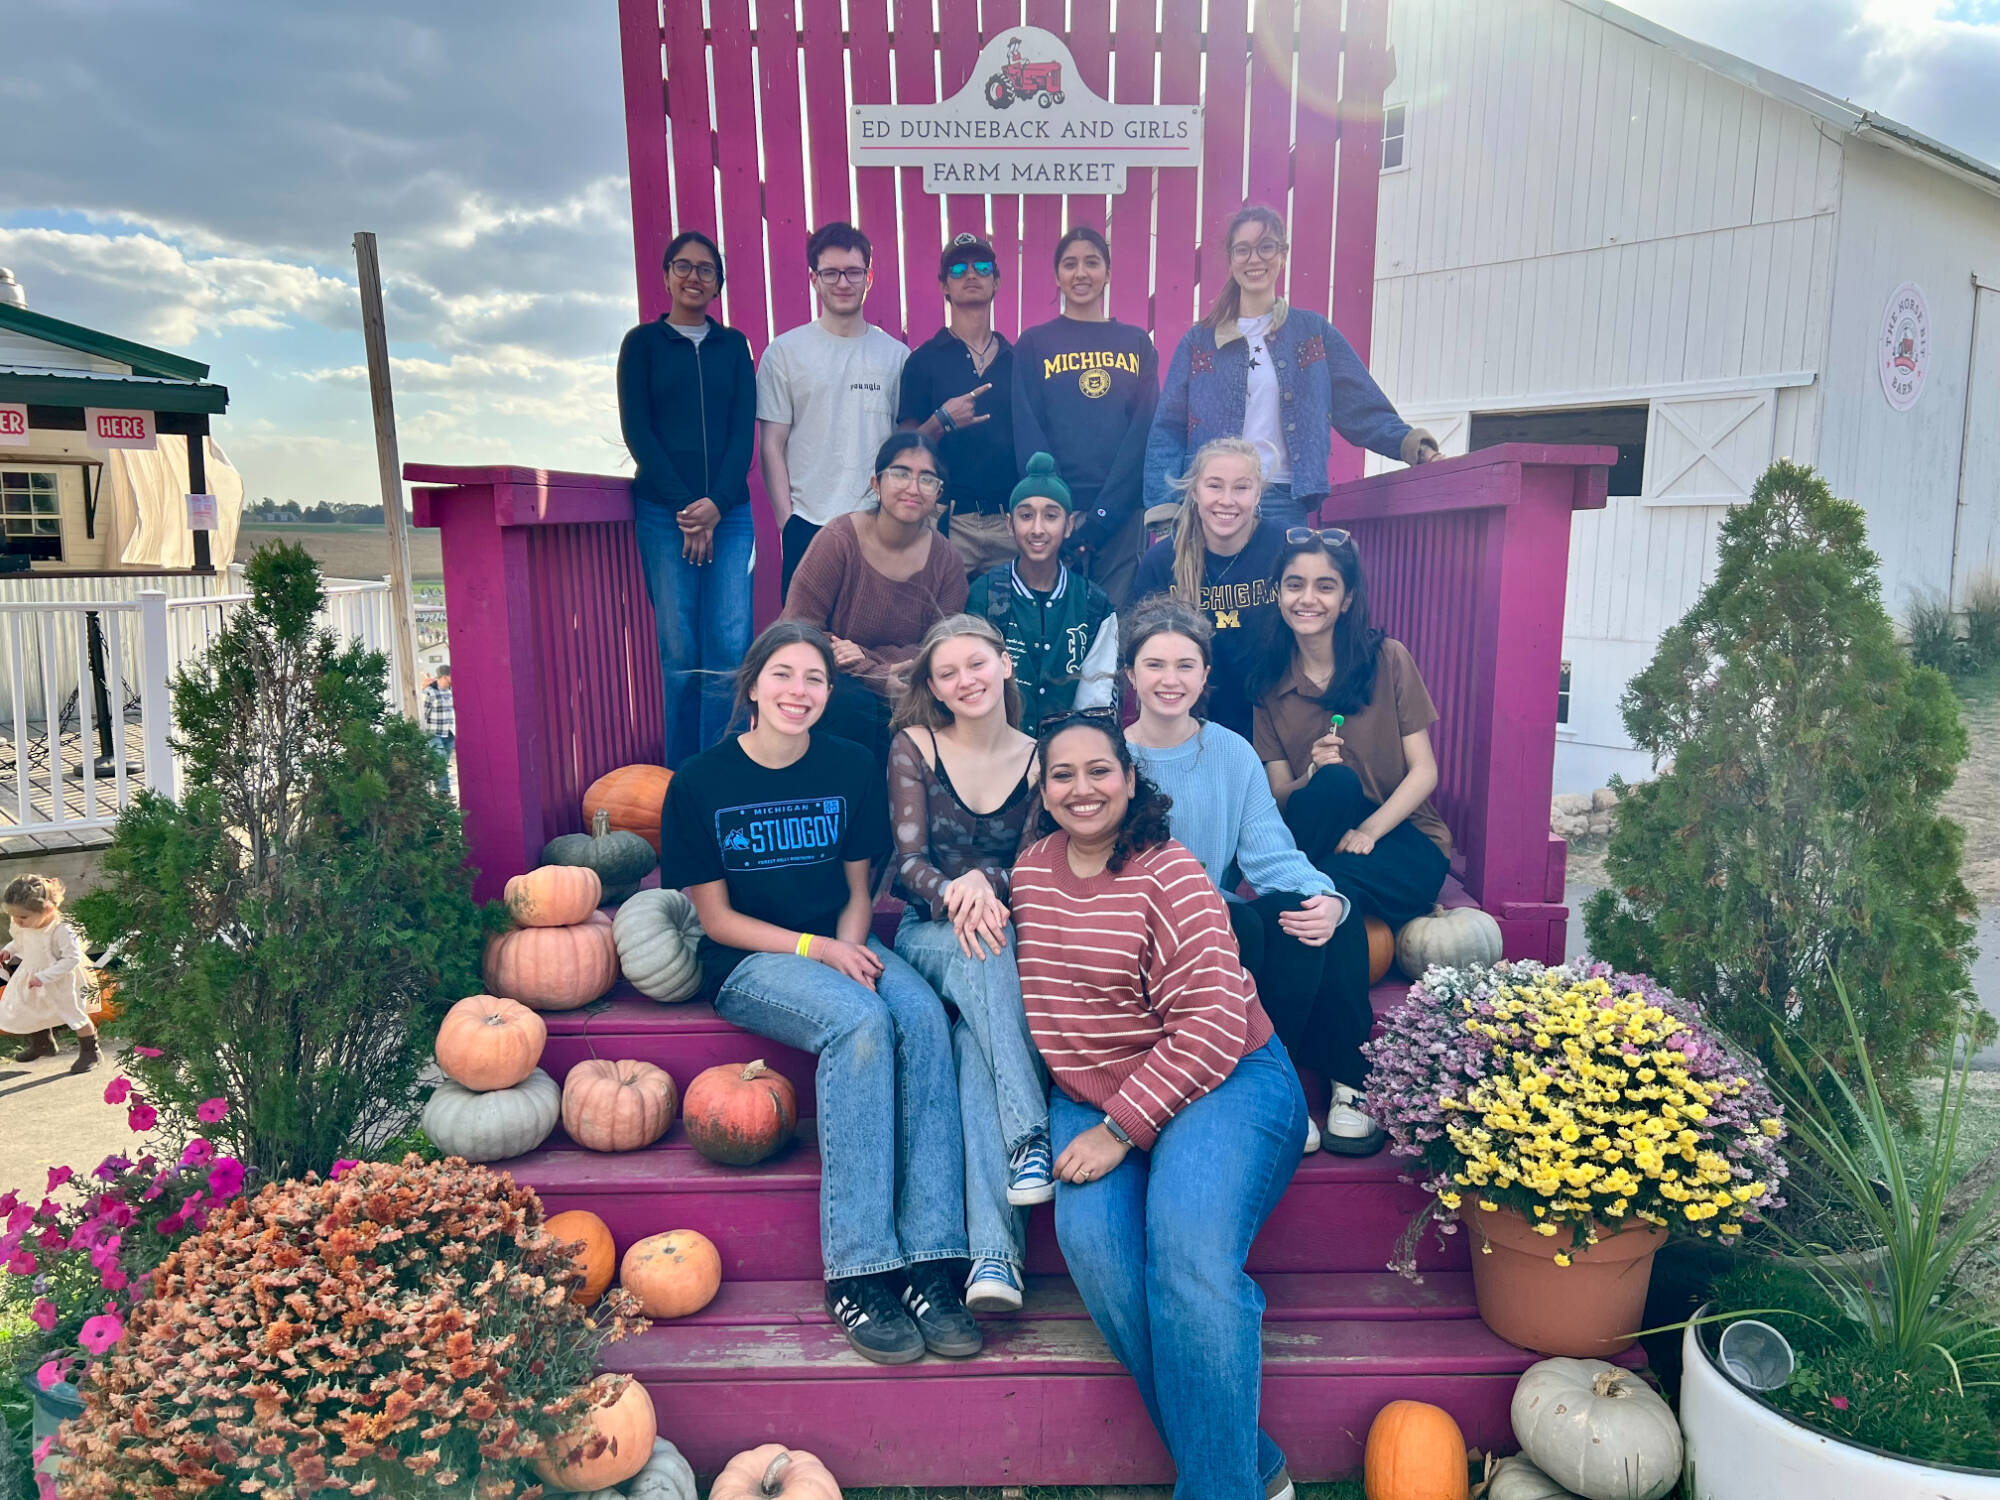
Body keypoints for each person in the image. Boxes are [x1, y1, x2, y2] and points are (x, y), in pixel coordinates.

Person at [660, 621, 982, 1366]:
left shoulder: (847, 767)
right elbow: (717, 919)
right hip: (751, 960)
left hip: (845, 939)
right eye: (783, 675)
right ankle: (861, 1270)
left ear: (829, 693)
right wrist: (819, 950)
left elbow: (858, 891)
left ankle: (934, 1263)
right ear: (753, 685)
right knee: (860, 1026)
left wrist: (849, 943)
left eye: (813, 679)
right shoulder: (701, 782)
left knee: (923, 1017)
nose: (797, 692)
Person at [1011, 713, 1307, 1500]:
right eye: (1062, 774)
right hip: (1098, 1091)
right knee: (1102, 1257)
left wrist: (1120, 1129)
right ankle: (1253, 1464)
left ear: (1131, 778)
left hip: (1227, 1079)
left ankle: (1218, 1490)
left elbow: (1211, 1023)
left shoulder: (1168, 871)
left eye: (1100, 771)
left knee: (1188, 1258)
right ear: (1040, 790)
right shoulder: (1031, 874)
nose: (1082, 788)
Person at [1119, 598, 1381, 1155]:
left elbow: (1269, 853)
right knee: (1260, 923)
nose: (1171, 680)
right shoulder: (1110, 757)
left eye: (1186, 665)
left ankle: (1326, 1083)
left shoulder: (1231, 752)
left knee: (1316, 905)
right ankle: (1270, 1089)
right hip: (1147, 930)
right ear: (1130, 676)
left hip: (1225, 920)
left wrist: (1326, 899)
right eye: (1155, 665)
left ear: (1206, 674)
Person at [1250, 530, 1455, 1148]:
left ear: (1346, 598)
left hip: (1402, 840)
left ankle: (1314, 1071)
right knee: (1331, 798)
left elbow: (1426, 772)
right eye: (1294, 584)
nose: (1307, 598)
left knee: (1321, 893)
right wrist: (1312, 772)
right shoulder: (1268, 682)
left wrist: (1370, 829)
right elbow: (1278, 794)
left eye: (1324, 586)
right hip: (1318, 835)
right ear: (1278, 593)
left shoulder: (1386, 658)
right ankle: (1347, 1081)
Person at [886, 615, 1048, 1314]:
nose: (965, 681)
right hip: (927, 934)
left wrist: (992, 886)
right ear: (933, 687)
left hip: (1003, 939)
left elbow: (1037, 865)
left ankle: (993, 1261)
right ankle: (1029, 1136)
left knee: (972, 1049)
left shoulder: (1042, 757)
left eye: (976, 665)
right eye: (947, 673)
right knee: (981, 946)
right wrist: (960, 890)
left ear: (1004, 665)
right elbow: (907, 864)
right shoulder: (915, 745)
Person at [1143, 206, 1440, 533]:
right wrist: (1164, 506)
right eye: (1243, 250)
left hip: (1282, 499)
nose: (1254, 259)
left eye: (1266, 247)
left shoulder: (1312, 333)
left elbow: (1362, 409)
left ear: (1282, 256)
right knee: (1215, 587)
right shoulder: (1199, 342)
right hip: (1211, 503)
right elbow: (1167, 428)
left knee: (1281, 585)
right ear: (1230, 260)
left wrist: (1416, 447)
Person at [617, 230, 758, 766]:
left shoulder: (734, 347)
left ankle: (717, 772)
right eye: (684, 266)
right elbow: (639, 432)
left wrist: (716, 507)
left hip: (731, 514)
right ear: (666, 275)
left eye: (705, 269)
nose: (694, 276)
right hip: (662, 513)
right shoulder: (643, 345)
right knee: (679, 652)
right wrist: (686, 509)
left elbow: (742, 433)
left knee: (727, 649)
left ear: (718, 282)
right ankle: (680, 780)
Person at [779, 433, 969, 763]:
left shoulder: (946, 560)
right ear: (876, 484)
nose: (912, 487)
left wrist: (867, 659)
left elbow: (942, 646)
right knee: (854, 704)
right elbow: (798, 630)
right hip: (833, 679)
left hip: (911, 681)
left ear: (938, 493)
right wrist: (877, 675)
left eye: (926, 478)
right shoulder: (838, 540)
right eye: (900, 473)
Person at [758, 222, 911, 593]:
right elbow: (771, 444)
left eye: (853, 272)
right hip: (808, 526)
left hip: (877, 525)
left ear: (869, 277)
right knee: (805, 644)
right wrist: (787, 522)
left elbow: (904, 446)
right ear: (814, 278)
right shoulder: (785, 353)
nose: (843, 282)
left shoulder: (896, 357)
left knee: (876, 646)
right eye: (830, 273)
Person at [1012, 227, 1158, 608]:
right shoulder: (1034, 343)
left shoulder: (1136, 342)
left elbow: (1143, 433)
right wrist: (1056, 505)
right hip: (1057, 513)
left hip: (1122, 513)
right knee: (1057, 625)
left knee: (1116, 626)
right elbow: (1028, 428)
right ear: (1057, 275)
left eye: (1092, 263)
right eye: (1070, 264)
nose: (1081, 273)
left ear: (1107, 273)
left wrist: (1104, 515)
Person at [1131, 437, 1287, 737]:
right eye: (1214, 486)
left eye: (1241, 487)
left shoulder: (1286, 548)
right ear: (1194, 492)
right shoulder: (1161, 563)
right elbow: (1144, 657)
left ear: (1258, 495)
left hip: (1275, 728)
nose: (1227, 500)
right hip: (1192, 726)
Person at [965, 452, 1118, 725]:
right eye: (1026, 515)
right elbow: (971, 682)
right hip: (998, 744)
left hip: (1071, 752)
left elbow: (1097, 698)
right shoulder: (985, 594)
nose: (1037, 529)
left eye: (1050, 516)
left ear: (1069, 525)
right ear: (1010, 525)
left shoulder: (1094, 604)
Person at [899, 232, 1019, 577]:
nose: (971, 274)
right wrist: (941, 420)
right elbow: (905, 452)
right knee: (939, 627)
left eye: (982, 267)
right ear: (943, 287)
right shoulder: (923, 361)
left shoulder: (1019, 360)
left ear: (995, 282)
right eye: (957, 269)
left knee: (1005, 630)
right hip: (947, 523)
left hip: (1009, 525)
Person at [0, 875, 96, 1074]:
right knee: (29, 1007)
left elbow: (72, 959)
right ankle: (42, 1043)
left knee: (74, 1013)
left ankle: (90, 1051)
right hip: (31, 973)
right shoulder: (23, 924)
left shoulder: (61, 930)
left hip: (61, 978)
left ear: (48, 910)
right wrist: (10, 950)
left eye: (23, 917)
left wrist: (45, 977)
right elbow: (21, 941)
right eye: (13, 916)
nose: (18, 921)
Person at [422, 664, 456, 799]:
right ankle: (444, 793)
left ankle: (436, 789)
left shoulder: (451, 692)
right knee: (440, 762)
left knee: (441, 765)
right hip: (434, 734)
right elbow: (424, 713)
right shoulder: (430, 692)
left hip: (449, 733)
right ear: (445, 676)